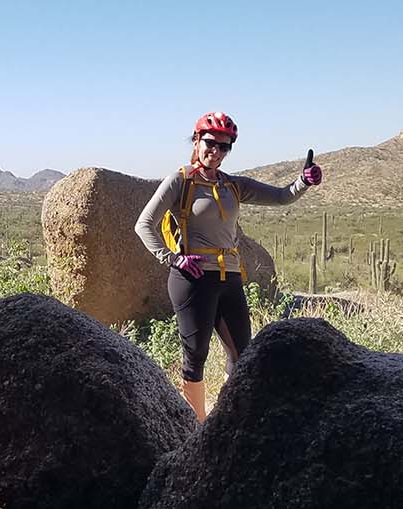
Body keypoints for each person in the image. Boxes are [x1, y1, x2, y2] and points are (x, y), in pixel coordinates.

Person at [134, 111, 323, 421]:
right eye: (211, 143)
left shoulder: (232, 185)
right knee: (195, 356)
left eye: (225, 147)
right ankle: (194, 426)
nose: (216, 152)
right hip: (191, 278)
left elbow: (280, 197)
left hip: (229, 276)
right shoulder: (180, 181)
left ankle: (226, 420)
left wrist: (303, 182)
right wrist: (173, 257)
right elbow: (144, 225)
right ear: (196, 140)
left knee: (240, 355)